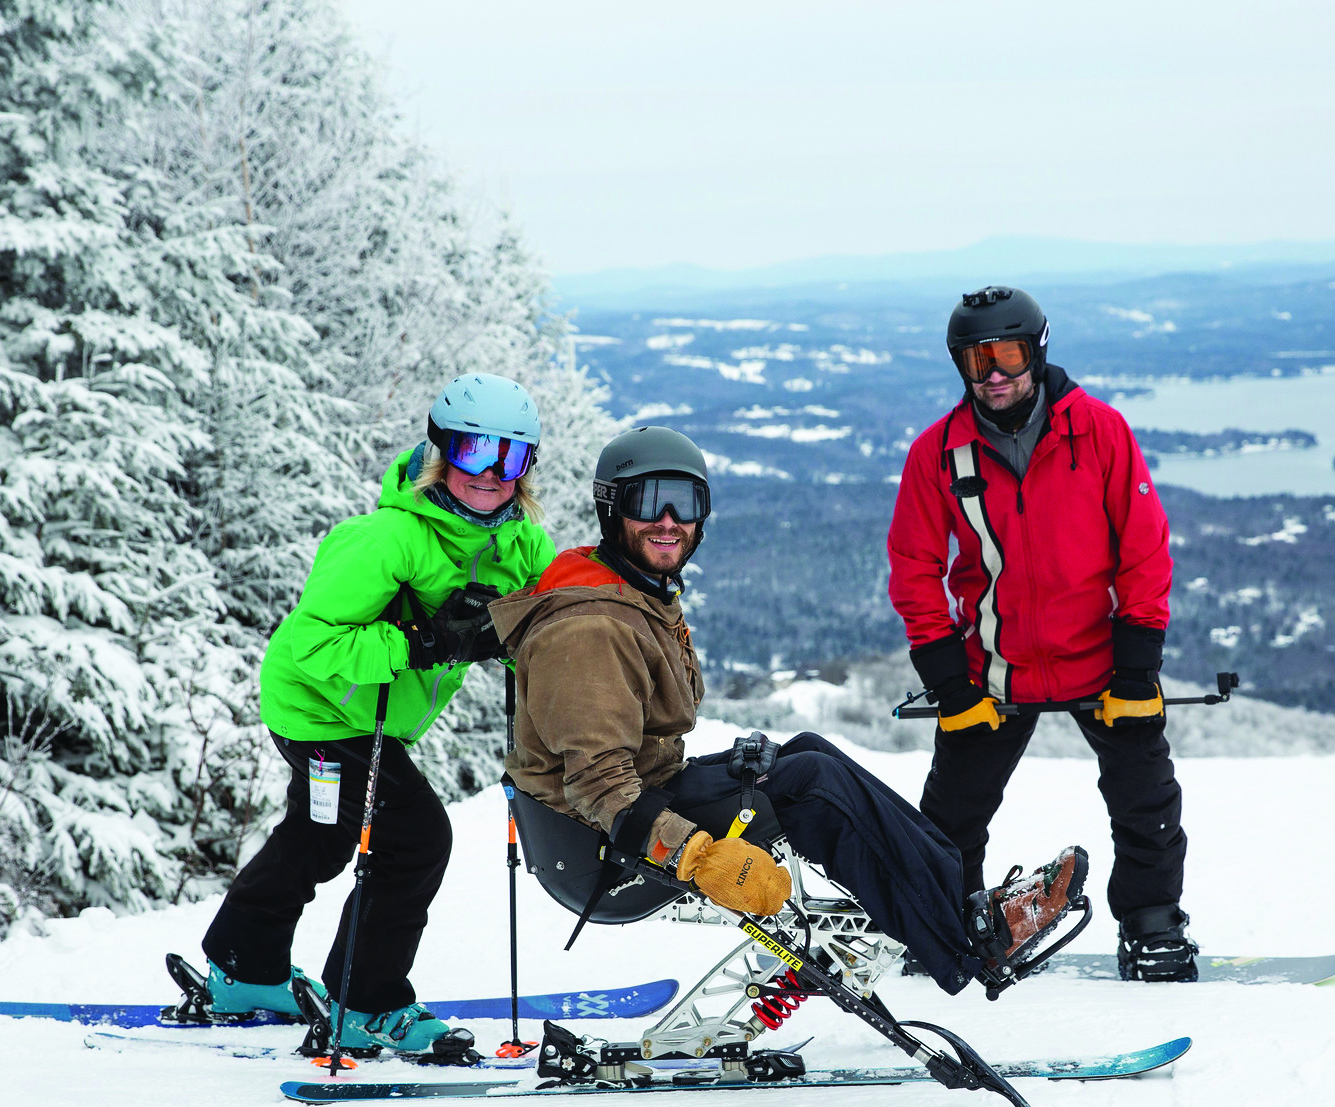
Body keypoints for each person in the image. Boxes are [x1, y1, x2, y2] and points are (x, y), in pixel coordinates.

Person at [491, 425, 1087, 997]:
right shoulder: (591, 627)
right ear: (611, 508)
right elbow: (600, 786)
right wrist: (700, 857)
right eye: (648, 500)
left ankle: (961, 905)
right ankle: (963, 944)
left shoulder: (632, 592)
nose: (669, 520)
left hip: (632, 808)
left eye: (685, 501)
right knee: (813, 786)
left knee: (805, 752)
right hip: (600, 850)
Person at [194, 374, 555, 1053]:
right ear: (442, 452)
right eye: (475, 451)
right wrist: (419, 642)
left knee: (320, 835)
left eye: (511, 457)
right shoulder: (385, 539)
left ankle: (244, 967)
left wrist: (522, 639)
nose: (491, 473)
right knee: (416, 837)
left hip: (369, 718)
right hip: (320, 707)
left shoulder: (520, 548)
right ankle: (364, 1001)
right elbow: (312, 643)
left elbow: (544, 620)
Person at [885, 285, 1198, 983]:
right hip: (994, 669)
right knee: (949, 819)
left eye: (1009, 354)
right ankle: (944, 929)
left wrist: (1138, 670)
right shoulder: (939, 453)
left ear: (1039, 350)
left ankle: (1151, 923)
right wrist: (949, 684)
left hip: (1103, 663)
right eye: (976, 360)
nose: (995, 373)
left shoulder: (1099, 431)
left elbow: (1144, 550)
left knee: (1146, 799)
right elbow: (914, 569)